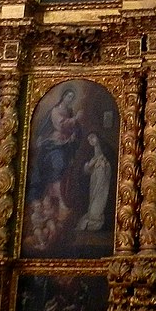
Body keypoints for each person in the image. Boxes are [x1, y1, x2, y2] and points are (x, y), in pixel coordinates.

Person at [29, 88, 84, 218]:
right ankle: (53, 199)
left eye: (72, 97)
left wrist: (74, 134)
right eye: (68, 96)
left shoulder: (69, 111)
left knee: (66, 169)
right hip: (54, 144)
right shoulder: (55, 110)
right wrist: (75, 119)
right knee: (58, 166)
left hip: (66, 144)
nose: (70, 99)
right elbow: (61, 126)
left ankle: (59, 200)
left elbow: (74, 129)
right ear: (63, 97)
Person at [77, 132, 112, 231]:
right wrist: (88, 166)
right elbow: (85, 171)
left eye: (92, 137)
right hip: (94, 183)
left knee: (97, 207)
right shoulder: (91, 155)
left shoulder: (105, 156)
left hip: (103, 185)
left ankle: (95, 221)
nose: (90, 141)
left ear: (98, 138)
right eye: (88, 139)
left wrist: (102, 166)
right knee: (92, 203)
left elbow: (107, 169)